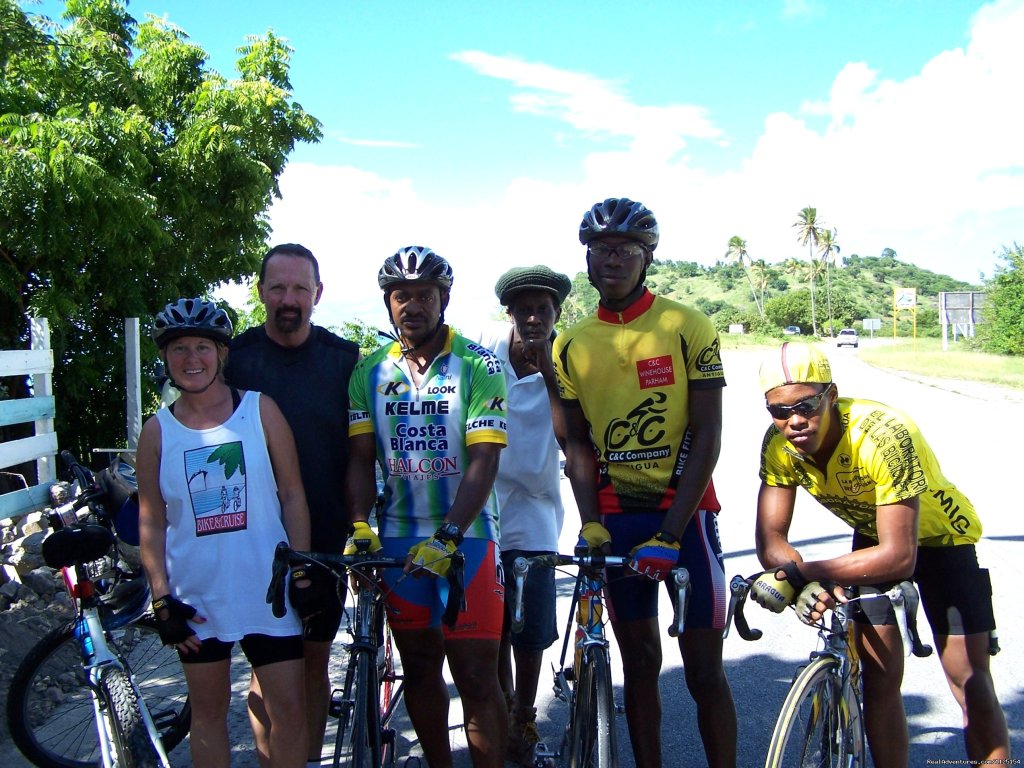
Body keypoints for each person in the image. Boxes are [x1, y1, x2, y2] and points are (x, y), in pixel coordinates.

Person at [751, 342, 1010, 767]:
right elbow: (771, 538)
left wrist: (800, 573)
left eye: (807, 405)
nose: (795, 420)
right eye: (779, 411)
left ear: (831, 396)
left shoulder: (885, 435)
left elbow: (899, 558)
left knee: (969, 680)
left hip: (941, 542)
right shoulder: (779, 446)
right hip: (873, 543)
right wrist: (801, 581)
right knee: (878, 678)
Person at [553, 198, 737, 768]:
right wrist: (590, 523)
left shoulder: (687, 325)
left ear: (647, 257)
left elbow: (707, 434)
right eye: (600, 250)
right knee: (639, 666)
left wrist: (672, 532)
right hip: (617, 518)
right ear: (587, 260)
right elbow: (576, 444)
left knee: (705, 670)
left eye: (625, 250)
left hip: (684, 517)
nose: (612, 259)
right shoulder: (571, 343)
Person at [344, 246, 509, 768]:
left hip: (470, 536)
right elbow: (359, 459)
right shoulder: (368, 371)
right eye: (401, 296)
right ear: (388, 304)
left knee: (477, 674)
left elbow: (484, 461)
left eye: (424, 295)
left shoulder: (477, 365)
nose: (412, 305)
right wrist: (359, 526)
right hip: (396, 537)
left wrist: (449, 536)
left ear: (444, 299)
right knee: (418, 667)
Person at [137, 298, 314, 768]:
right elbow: (151, 519)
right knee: (208, 715)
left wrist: (301, 572)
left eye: (202, 347)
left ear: (222, 354)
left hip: (266, 590)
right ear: (165, 359)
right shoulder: (157, 432)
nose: (191, 359)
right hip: (198, 598)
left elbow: (293, 494)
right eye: (178, 349)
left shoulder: (260, 411)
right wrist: (160, 599)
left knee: (289, 711)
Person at [224, 243, 360, 767]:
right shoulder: (234, 360)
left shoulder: (344, 362)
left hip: (323, 538)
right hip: (249, 538)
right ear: (260, 292)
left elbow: (365, 453)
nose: (288, 299)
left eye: (299, 288)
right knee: (263, 670)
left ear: (317, 294)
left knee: (312, 662)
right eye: (277, 287)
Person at [473, 265, 572, 766]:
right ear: (509, 313)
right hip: (484, 505)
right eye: (524, 309)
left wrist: (550, 375)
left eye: (544, 310)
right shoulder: (485, 352)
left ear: (557, 314)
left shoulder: (566, 361)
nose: (534, 318)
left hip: (536, 508)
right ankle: (503, 703)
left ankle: (524, 714)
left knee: (530, 624)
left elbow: (571, 433)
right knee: (494, 626)